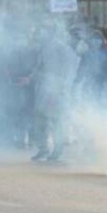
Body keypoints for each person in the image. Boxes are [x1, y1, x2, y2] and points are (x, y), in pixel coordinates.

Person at [31, 30, 80, 161]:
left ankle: (57, 149)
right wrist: (31, 78)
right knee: (40, 119)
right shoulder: (43, 48)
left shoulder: (62, 48)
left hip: (57, 90)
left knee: (56, 120)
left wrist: (61, 87)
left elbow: (71, 69)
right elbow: (39, 68)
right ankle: (43, 149)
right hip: (44, 89)